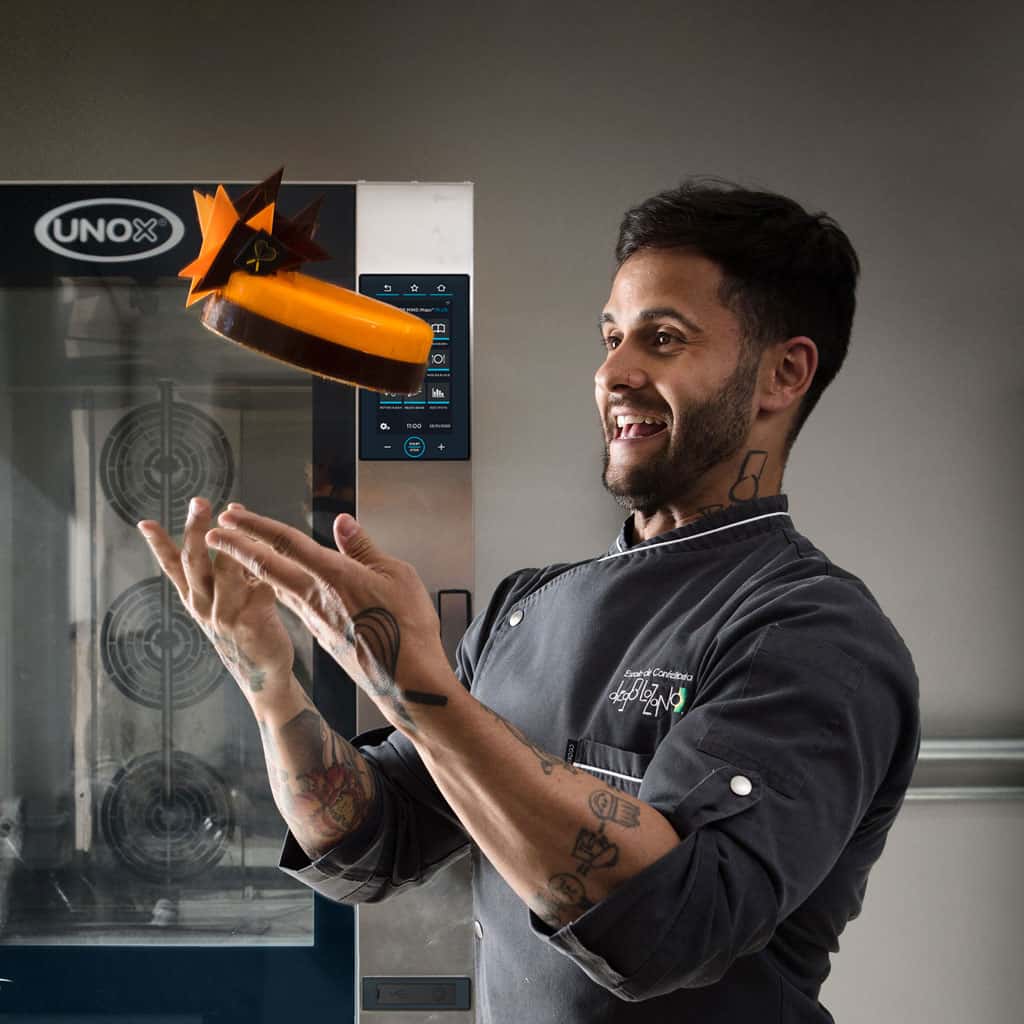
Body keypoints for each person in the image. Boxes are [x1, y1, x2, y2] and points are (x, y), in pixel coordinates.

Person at [139, 177, 921, 1022]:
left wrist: (416, 692)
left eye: (662, 339)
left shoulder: (812, 632)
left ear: (783, 374)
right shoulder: (529, 608)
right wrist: (269, 682)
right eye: (612, 337)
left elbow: (671, 926)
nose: (613, 372)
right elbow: (373, 842)